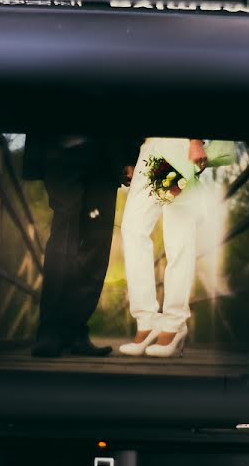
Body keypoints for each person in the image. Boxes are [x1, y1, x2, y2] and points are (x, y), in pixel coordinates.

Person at [22, 132, 141, 357]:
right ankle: (51, 330)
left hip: (107, 150)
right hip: (62, 141)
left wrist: (129, 155)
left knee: (98, 241)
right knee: (64, 234)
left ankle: (76, 330)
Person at [118, 138, 207, 358]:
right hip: (149, 149)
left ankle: (174, 321)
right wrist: (130, 158)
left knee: (178, 238)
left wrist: (195, 140)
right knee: (133, 230)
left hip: (176, 146)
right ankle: (147, 319)